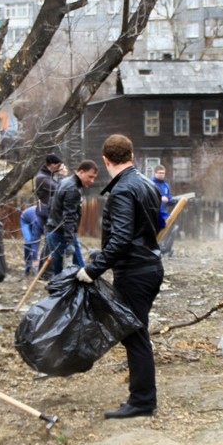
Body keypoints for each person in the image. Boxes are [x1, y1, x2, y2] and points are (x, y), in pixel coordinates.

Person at [76, 134, 164, 419]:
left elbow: (122, 238)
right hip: (149, 266)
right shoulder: (147, 184)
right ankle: (142, 397)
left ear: (105, 160)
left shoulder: (124, 189)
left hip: (135, 272)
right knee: (135, 333)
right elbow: (153, 226)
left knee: (134, 335)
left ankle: (143, 401)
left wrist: (92, 270)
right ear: (132, 155)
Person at [45, 160, 99, 275]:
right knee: (79, 271)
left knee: (59, 273)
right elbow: (69, 217)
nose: (92, 181)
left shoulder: (65, 182)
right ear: (81, 172)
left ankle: (60, 286)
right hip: (61, 234)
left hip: (53, 230)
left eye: (94, 178)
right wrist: (70, 241)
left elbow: (53, 205)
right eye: (90, 177)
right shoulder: (73, 189)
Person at [151, 165, 178, 256]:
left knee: (164, 232)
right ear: (155, 173)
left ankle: (163, 250)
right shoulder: (150, 184)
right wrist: (160, 198)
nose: (162, 175)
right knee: (153, 232)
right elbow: (147, 198)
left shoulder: (166, 186)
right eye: (160, 173)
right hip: (152, 213)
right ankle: (152, 249)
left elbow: (168, 200)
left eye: (163, 173)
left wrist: (173, 201)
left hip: (163, 213)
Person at [19, 204, 43, 277]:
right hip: (25, 219)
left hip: (33, 218)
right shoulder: (37, 222)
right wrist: (35, 259)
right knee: (29, 241)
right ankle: (27, 266)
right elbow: (35, 241)